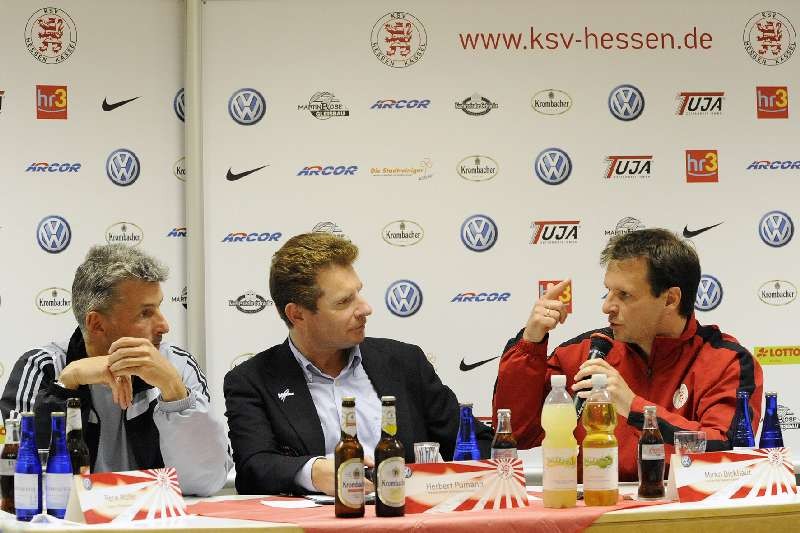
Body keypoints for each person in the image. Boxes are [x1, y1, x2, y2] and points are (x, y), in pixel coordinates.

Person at [224, 232, 493, 495]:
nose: (365, 309)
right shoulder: (253, 380)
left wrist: (439, 482)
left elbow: (478, 441)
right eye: (344, 301)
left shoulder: (404, 362)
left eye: (359, 293)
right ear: (297, 314)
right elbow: (253, 468)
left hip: (407, 515)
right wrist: (313, 472)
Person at [493, 228, 763, 481]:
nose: (607, 306)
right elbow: (517, 434)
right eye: (608, 291)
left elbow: (727, 455)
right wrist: (530, 343)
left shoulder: (726, 362)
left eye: (624, 295)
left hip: (683, 512)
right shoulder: (585, 353)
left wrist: (634, 406)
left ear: (670, 299)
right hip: (596, 509)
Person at [0, 244, 232, 496]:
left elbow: (206, 481)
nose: (164, 325)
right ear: (97, 324)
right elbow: (17, 484)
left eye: (159, 307)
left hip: (157, 516)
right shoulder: (43, 367)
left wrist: (174, 392)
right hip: (74, 518)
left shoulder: (176, 366)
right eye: (145, 313)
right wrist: (66, 386)